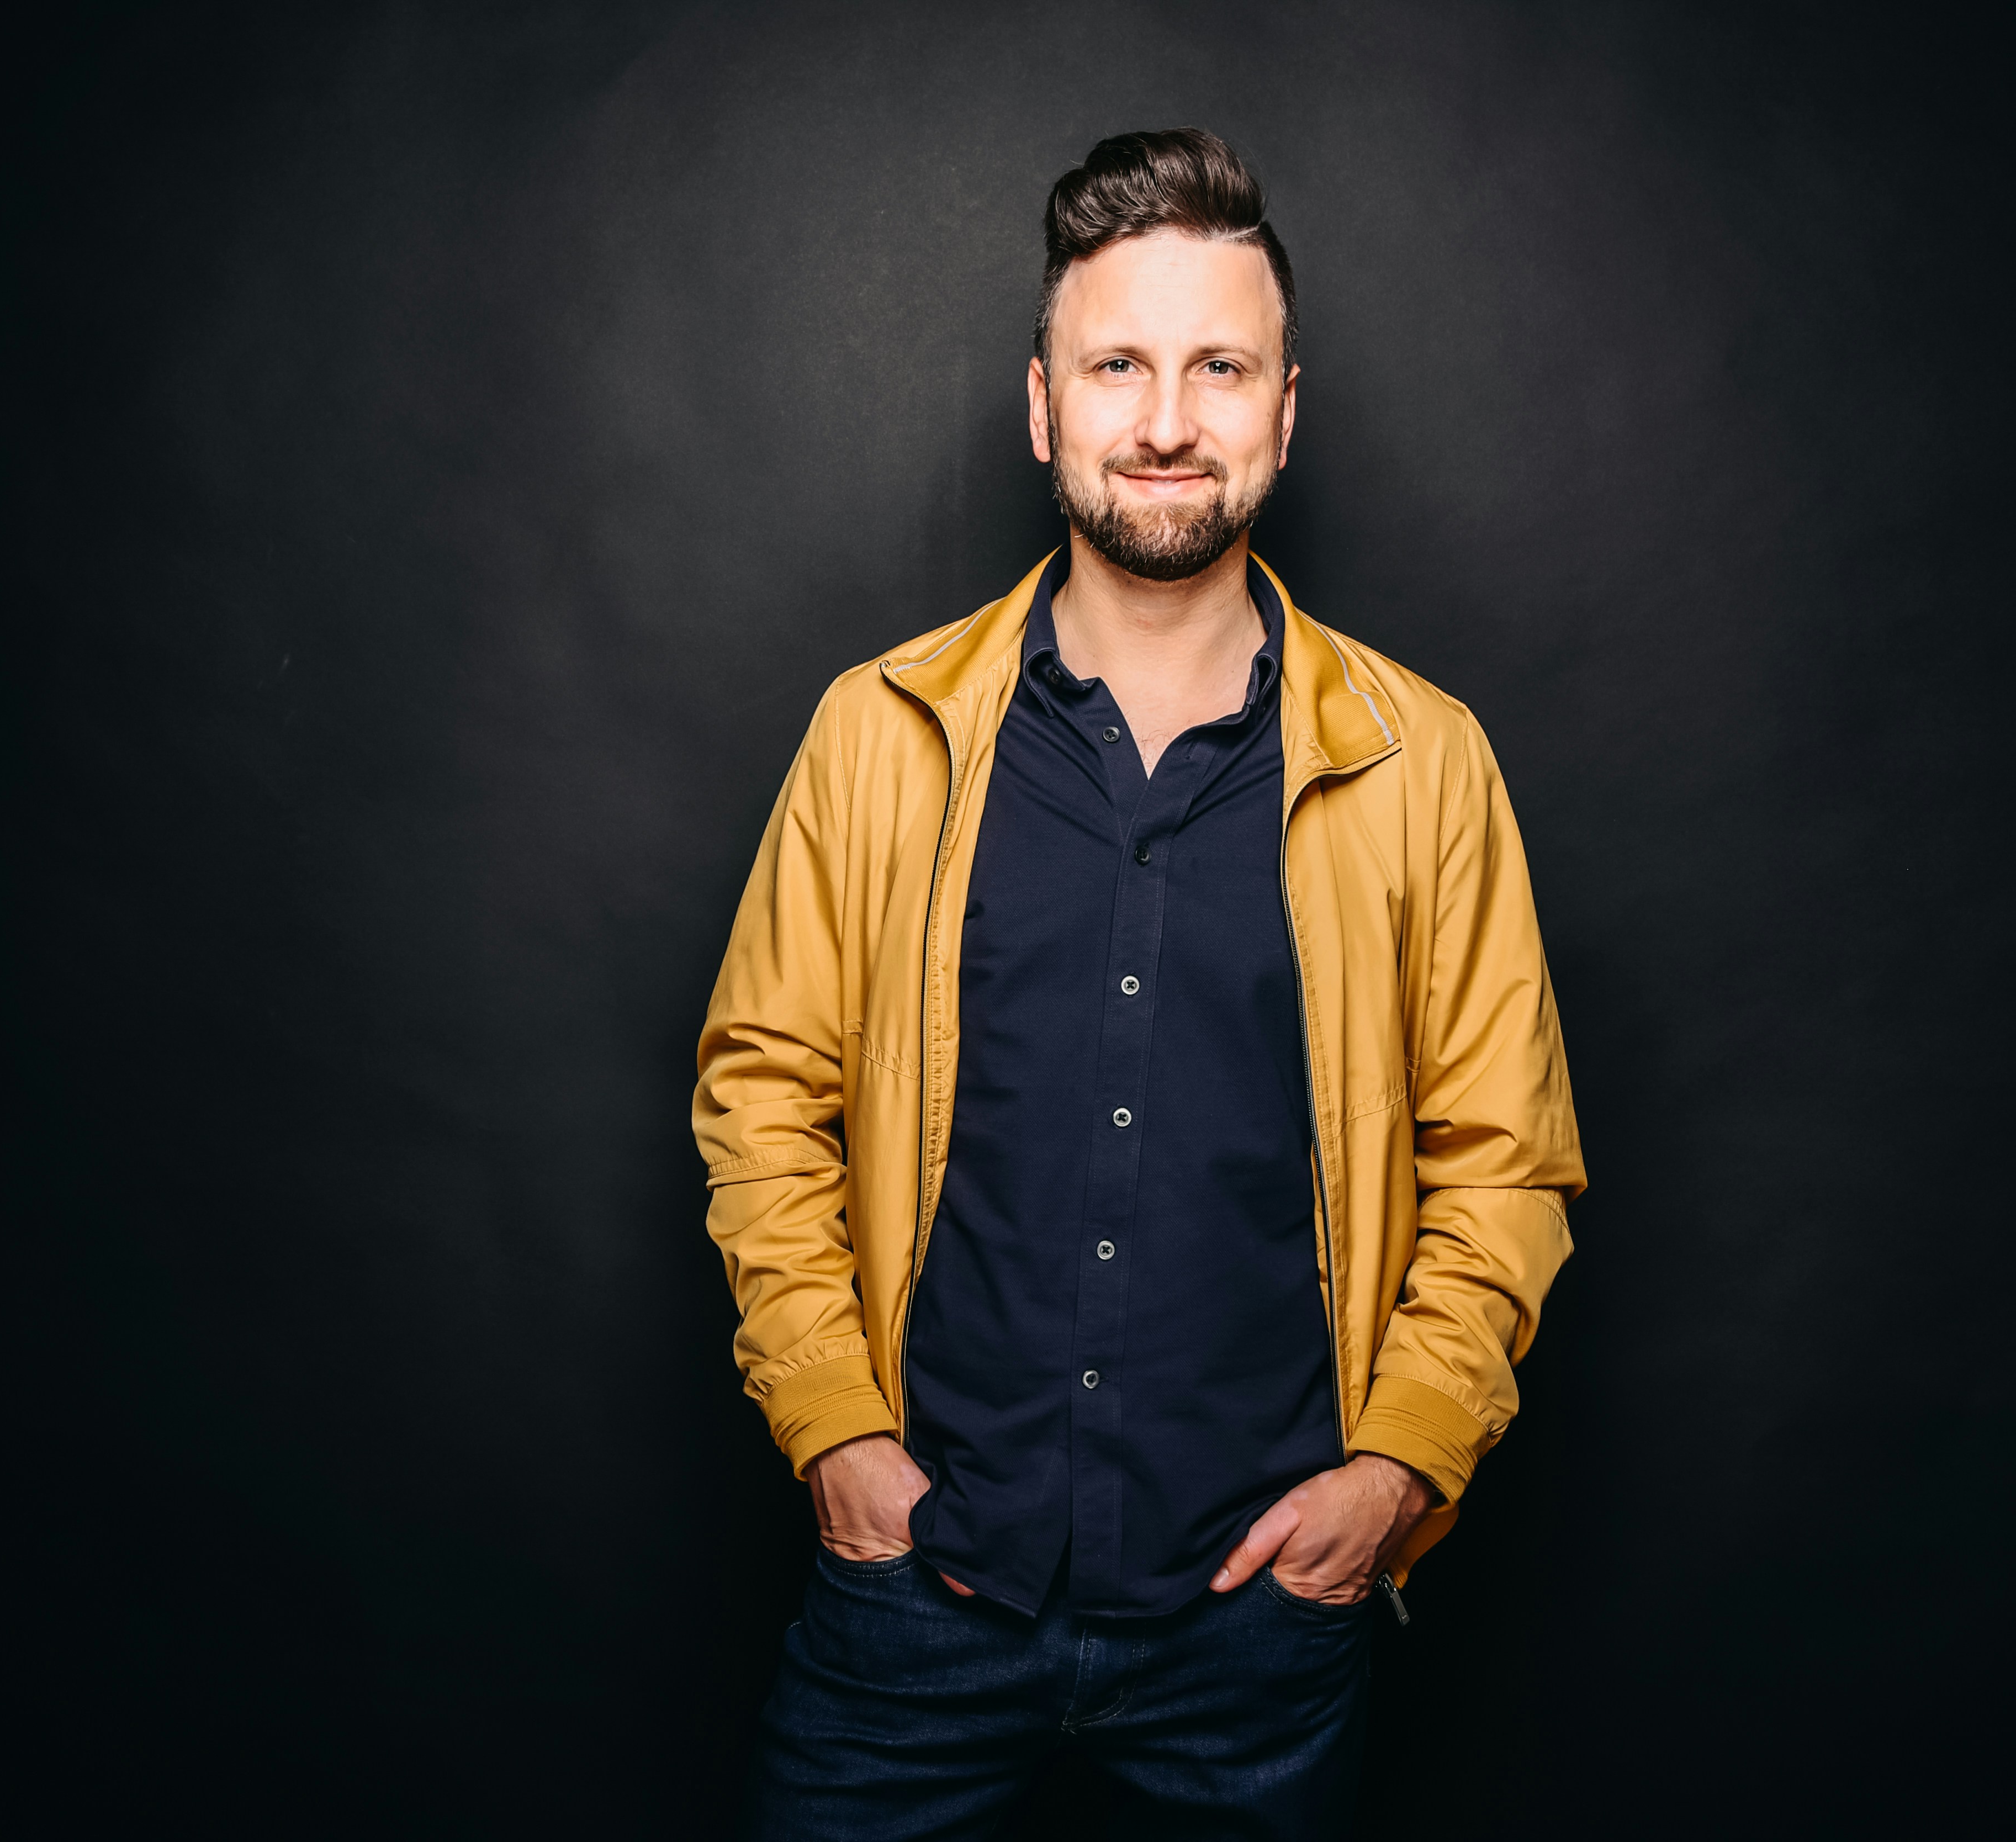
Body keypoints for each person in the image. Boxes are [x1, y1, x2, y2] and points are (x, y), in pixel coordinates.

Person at [696, 127, 1584, 1840]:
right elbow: (761, 1094)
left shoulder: (1428, 765)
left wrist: (1397, 1472)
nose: (1167, 419)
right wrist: (834, 1437)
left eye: (1218, 367)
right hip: (913, 1605)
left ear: (1285, 409)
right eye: (1119, 364)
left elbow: (1506, 1158)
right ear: (1045, 405)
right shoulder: (878, 736)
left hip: (1261, 1634)